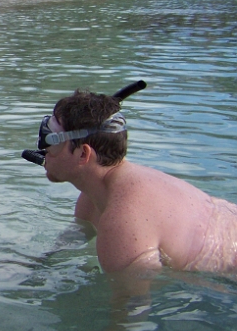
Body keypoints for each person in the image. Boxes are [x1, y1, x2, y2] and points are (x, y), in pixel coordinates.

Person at [37, 88, 237, 274]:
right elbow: (70, 242)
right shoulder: (92, 199)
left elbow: (133, 299)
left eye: (50, 140)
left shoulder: (122, 221)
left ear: (83, 154)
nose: (43, 149)